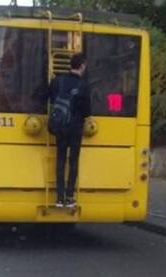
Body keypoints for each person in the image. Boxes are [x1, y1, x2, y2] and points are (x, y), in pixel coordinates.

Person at [49, 53, 91, 208]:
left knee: (60, 159)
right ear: (82, 66)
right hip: (75, 128)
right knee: (73, 161)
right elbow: (87, 111)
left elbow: (50, 98)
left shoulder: (57, 81)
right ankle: (69, 196)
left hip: (60, 126)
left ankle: (59, 197)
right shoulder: (83, 85)